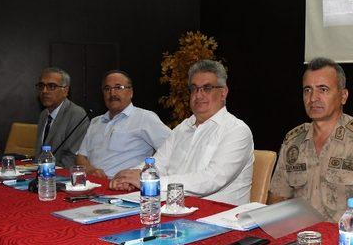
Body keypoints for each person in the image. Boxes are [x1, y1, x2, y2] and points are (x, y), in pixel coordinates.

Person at [110, 60, 254, 205]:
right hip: (175, 210)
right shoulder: (183, 127)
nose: (199, 95)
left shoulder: (237, 131)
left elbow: (212, 179)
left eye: (207, 88)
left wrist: (150, 182)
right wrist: (130, 176)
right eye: (194, 88)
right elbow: (158, 163)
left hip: (221, 218)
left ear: (223, 93)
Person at [268, 57, 353, 223]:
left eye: (323, 90)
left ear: (343, 96)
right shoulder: (293, 140)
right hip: (296, 236)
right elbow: (276, 200)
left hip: (342, 240)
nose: (313, 98)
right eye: (307, 90)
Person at [75, 70, 171, 178]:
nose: (112, 93)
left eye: (118, 87)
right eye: (107, 89)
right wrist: (90, 170)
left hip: (125, 188)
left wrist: (140, 173)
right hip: (92, 185)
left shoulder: (145, 118)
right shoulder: (96, 122)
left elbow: (172, 149)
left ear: (131, 92)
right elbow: (81, 156)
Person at [35, 67, 89, 168]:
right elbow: (39, 155)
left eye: (51, 86)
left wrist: (46, 172)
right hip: (42, 175)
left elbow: (72, 158)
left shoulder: (76, 114)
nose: (44, 91)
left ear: (65, 90)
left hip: (60, 176)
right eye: (41, 86)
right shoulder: (44, 114)